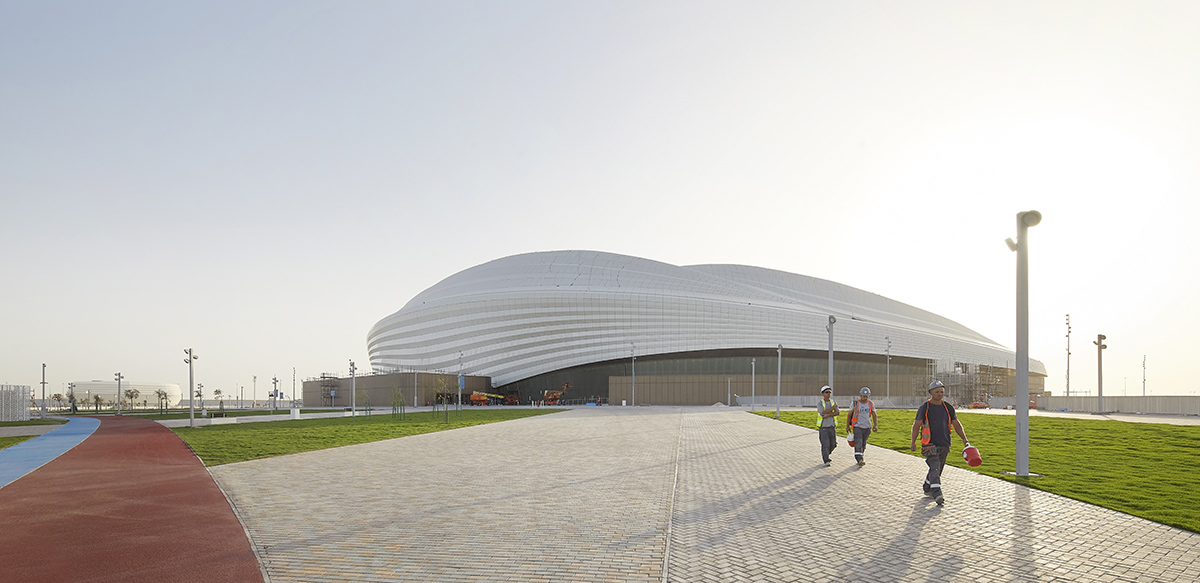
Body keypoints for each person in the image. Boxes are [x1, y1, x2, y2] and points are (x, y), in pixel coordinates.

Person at [910, 380, 970, 505]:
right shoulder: (924, 408)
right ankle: (937, 493)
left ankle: (927, 487)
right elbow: (916, 426)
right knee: (935, 467)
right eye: (937, 392)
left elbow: (956, 424)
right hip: (929, 444)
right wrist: (913, 442)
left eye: (941, 392)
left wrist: (964, 439)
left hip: (944, 443)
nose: (939, 394)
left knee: (937, 469)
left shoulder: (947, 408)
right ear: (931, 392)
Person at [845, 387, 878, 467]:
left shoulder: (870, 404)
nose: (865, 397)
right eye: (863, 396)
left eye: (866, 396)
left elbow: (874, 415)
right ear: (860, 395)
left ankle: (861, 456)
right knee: (858, 442)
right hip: (857, 426)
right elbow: (849, 414)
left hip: (867, 427)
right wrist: (847, 426)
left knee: (863, 443)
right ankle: (859, 459)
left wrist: (875, 425)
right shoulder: (855, 403)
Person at [816, 386, 839, 466]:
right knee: (825, 444)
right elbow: (822, 412)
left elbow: (837, 412)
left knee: (833, 444)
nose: (828, 394)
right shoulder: (820, 403)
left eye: (829, 392)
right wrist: (832, 409)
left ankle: (826, 453)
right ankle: (826, 460)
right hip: (823, 427)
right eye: (826, 392)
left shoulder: (833, 402)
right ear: (822, 394)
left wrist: (829, 414)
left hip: (832, 427)